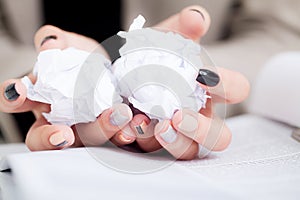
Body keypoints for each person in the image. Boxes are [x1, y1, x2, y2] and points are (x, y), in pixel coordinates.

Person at [0, 5, 249, 160]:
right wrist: (36, 87)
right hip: (40, 128)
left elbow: (276, 32)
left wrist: (209, 73)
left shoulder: (172, 69)